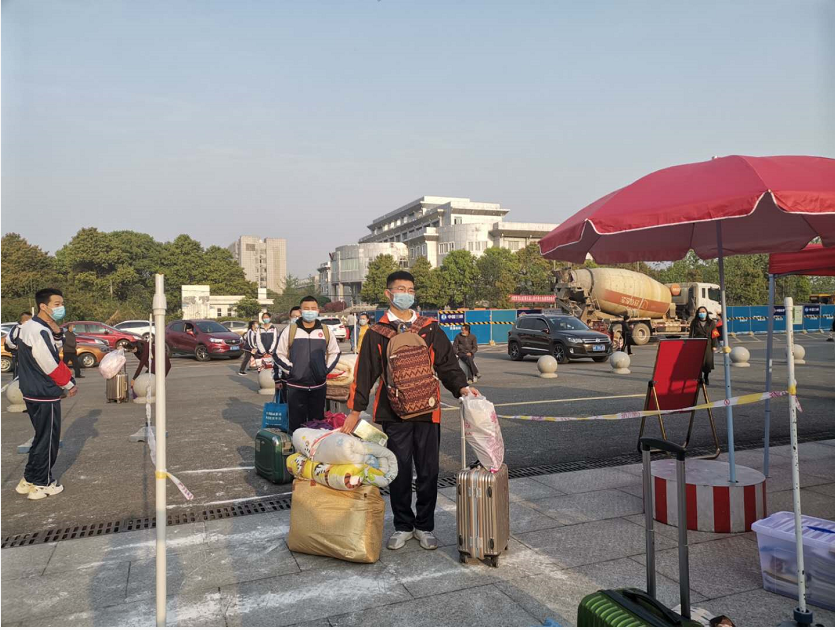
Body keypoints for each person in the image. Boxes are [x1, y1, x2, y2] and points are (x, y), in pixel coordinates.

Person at [341, 271, 479, 552]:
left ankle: (424, 526)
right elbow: (365, 373)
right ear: (388, 294)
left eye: (411, 289)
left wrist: (462, 388)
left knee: (429, 470)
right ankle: (403, 525)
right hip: (392, 412)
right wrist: (355, 411)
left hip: (428, 410)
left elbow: (447, 363)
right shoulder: (377, 332)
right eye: (400, 289)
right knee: (399, 470)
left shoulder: (430, 328)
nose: (407, 294)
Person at [15, 288, 77, 500]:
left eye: (61, 303)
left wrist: (56, 331)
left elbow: (51, 346)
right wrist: (68, 383)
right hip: (43, 392)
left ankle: (29, 478)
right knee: (48, 439)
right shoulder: (38, 330)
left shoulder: (29, 326)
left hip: (31, 390)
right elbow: (48, 362)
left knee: (40, 437)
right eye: (57, 304)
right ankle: (42, 484)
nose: (61, 307)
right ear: (44, 306)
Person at [275, 297, 341, 432]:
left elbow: (335, 352)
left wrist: (325, 370)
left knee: (317, 424)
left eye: (313, 308)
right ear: (300, 310)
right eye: (306, 309)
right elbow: (278, 354)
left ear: (318, 310)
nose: (309, 312)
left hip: (318, 386)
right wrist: (292, 370)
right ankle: (296, 450)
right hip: (295, 386)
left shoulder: (326, 331)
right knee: (296, 425)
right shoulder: (290, 330)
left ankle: (314, 452)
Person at [689, 306, 719, 386]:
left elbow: (715, 334)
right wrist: (690, 344)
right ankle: (699, 378)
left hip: (708, 344)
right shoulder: (694, 322)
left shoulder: (711, 322)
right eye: (700, 312)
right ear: (698, 313)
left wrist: (714, 345)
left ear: (706, 313)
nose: (702, 313)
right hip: (697, 343)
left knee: (707, 362)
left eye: (703, 312)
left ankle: (706, 377)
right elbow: (691, 334)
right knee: (698, 362)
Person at [4, 311, 32, 379]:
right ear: (27, 320)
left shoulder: (28, 328)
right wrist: (16, 347)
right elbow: (8, 340)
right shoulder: (17, 328)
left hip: (27, 355)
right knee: (18, 374)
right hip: (18, 355)